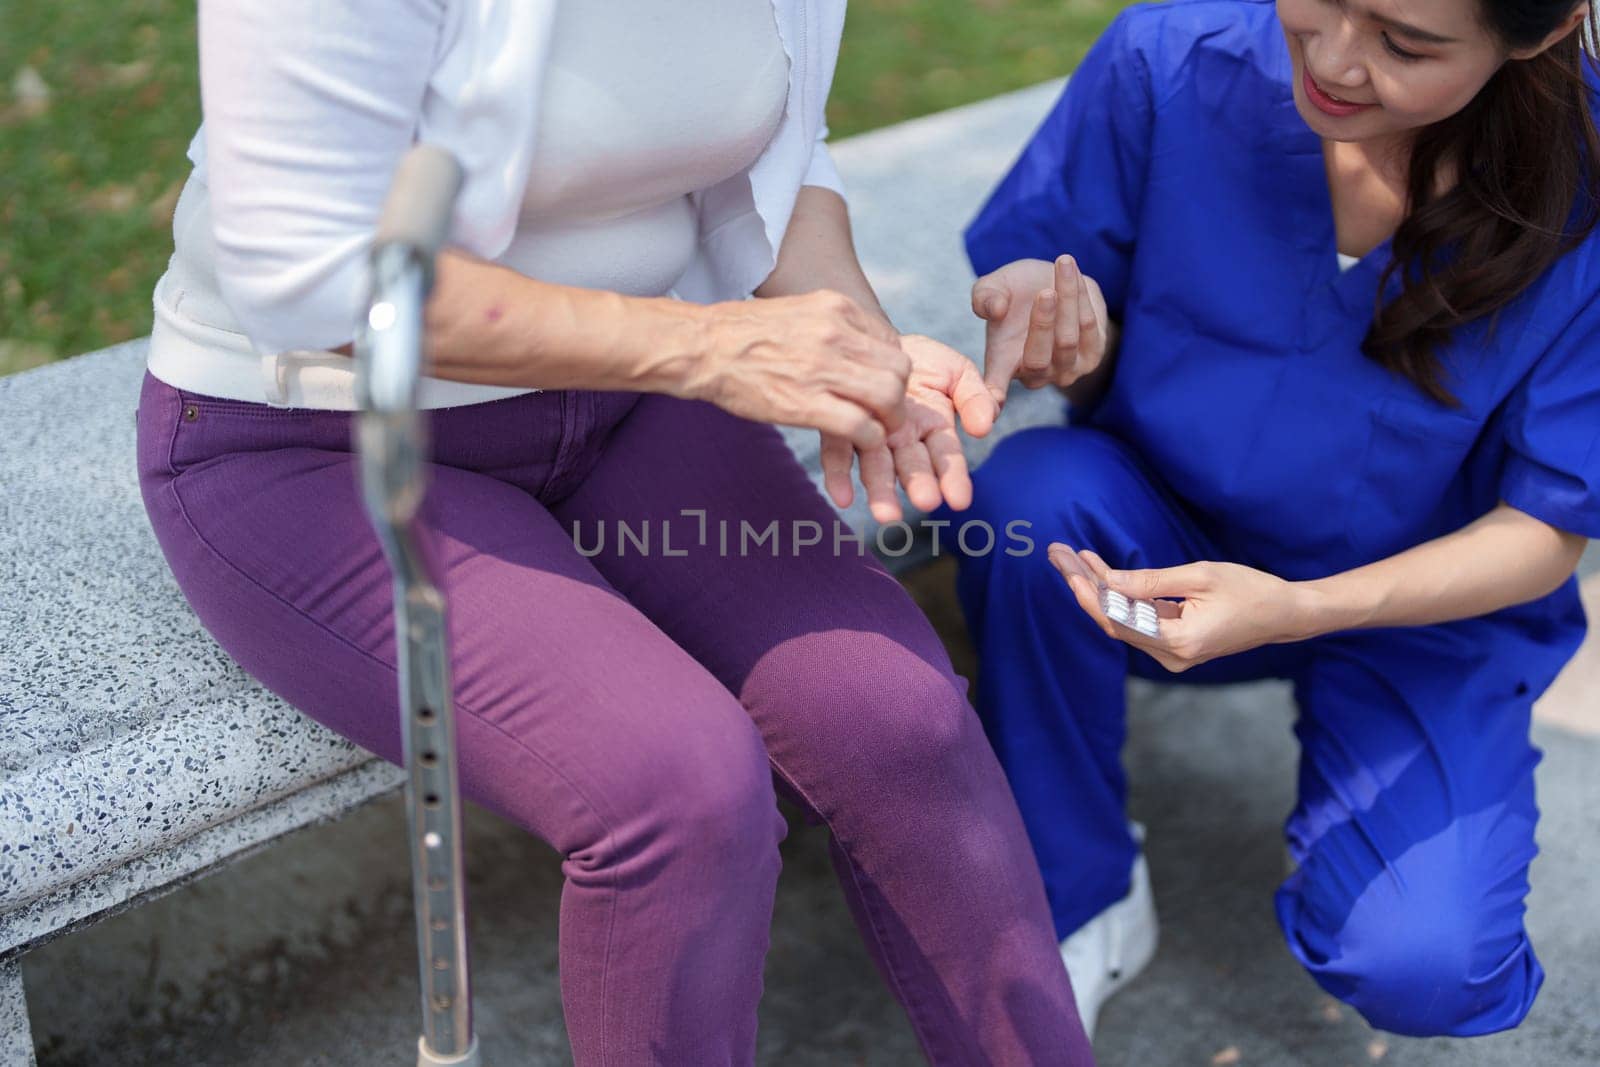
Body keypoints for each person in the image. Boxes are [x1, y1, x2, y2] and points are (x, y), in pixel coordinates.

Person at [133, 1, 1095, 1063]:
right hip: (318, 435)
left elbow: (774, 154)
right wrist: (708, 347)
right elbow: (313, 271)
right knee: (680, 789)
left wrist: (854, 341)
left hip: (626, 397)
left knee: (898, 717)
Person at [950, 0, 1599, 1041]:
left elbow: (1545, 527)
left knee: (1425, 963)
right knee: (1030, 505)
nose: (1335, 58)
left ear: (1542, 28)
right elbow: (1063, 279)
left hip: (1420, 607)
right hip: (1164, 525)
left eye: (1406, 42)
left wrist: (1297, 607)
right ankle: (1076, 888)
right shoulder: (1170, 57)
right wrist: (1048, 314)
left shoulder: (1588, 185)